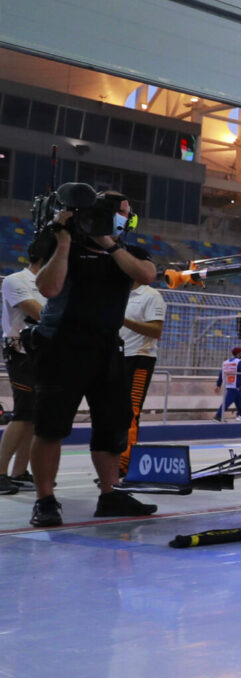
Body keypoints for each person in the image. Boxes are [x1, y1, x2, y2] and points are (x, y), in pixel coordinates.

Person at [29, 190, 159, 526]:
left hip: (106, 347)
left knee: (114, 423)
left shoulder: (128, 252)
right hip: (62, 345)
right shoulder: (62, 247)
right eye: (124, 213)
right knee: (50, 427)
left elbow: (146, 275)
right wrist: (64, 242)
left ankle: (109, 493)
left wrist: (109, 244)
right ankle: (45, 499)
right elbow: (48, 289)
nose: (127, 220)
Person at [0, 235, 53, 495]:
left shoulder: (53, 285)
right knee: (22, 413)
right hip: (20, 351)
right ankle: (0, 472)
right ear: (47, 259)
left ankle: (20, 472)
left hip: (42, 353)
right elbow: (41, 314)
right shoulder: (16, 281)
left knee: (33, 415)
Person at [116, 278, 167, 478]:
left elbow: (156, 330)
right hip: (116, 356)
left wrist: (122, 319)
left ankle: (125, 463)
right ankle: (114, 460)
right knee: (115, 412)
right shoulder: (118, 293)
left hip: (139, 358)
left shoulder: (151, 295)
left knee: (130, 412)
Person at [214, 347, 241, 421]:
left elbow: (221, 374)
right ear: (238, 354)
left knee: (239, 401)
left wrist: (218, 385)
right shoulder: (239, 362)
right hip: (235, 384)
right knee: (228, 401)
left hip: (228, 383)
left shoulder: (226, 362)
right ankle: (218, 415)